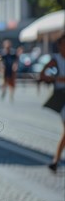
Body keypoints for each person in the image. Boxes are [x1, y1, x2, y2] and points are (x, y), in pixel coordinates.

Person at [40, 34, 65, 172]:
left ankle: (56, 160)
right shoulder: (56, 59)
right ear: (60, 45)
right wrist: (56, 79)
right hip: (62, 97)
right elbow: (42, 74)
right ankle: (56, 159)